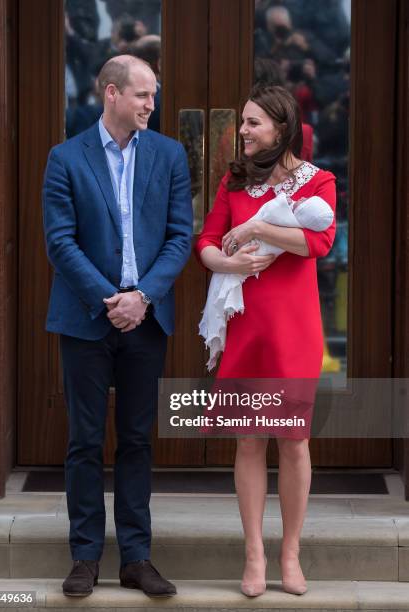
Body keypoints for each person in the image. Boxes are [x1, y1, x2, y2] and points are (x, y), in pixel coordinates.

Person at [43, 55, 192, 598]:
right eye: (143, 95)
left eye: (153, 95)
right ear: (111, 93)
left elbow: (180, 237)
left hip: (146, 324)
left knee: (135, 440)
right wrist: (111, 300)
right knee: (84, 441)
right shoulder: (65, 158)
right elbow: (60, 241)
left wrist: (143, 297)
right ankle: (84, 558)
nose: (152, 104)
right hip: (86, 320)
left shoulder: (170, 155)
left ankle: (136, 557)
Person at [195, 85, 336, 597]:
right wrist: (226, 262)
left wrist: (258, 226)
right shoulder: (232, 181)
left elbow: (318, 241)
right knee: (250, 439)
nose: (244, 132)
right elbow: (207, 242)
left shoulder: (319, 181)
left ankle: (290, 555)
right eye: (243, 122)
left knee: (294, 442)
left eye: (253, 123)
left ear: (282, 127)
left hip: (293, 330)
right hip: (246, 329)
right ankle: (253, 554)